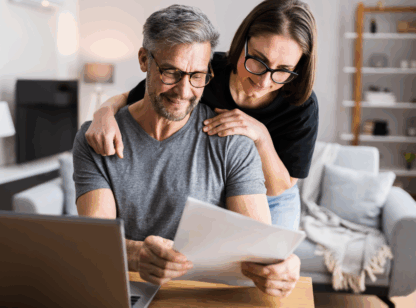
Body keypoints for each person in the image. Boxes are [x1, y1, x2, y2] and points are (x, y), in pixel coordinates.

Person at [74, 4, 300, 299]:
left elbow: (258, 249)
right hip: (125, 293)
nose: (183, 91)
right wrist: (137, 254)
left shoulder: (232, 142)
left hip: (200, 298)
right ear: (144, 60)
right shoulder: (99, 137)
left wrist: (285, 264)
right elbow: (95, 239)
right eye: (171, 72)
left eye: (197, 76)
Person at [85, 0, 319, 232]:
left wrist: (261, 136)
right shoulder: (201, 69)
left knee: (269, 263)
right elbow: (133, 96)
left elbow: (279, 187)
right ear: (242, 43)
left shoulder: (301, 103)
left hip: (272, 198)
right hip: (219, 187)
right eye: (258, 61)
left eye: (283, 71)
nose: (264, 81)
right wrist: (103, 113)